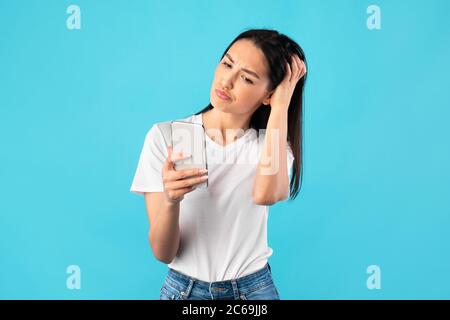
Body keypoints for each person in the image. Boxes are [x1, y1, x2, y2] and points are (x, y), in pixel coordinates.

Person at [130, 28, 307, 300]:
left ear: (268, 94)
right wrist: (170, 200)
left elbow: (267, 194)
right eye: (227, 63)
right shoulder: (168, 136)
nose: (227, 81)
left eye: (246, 78)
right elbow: (163, 252)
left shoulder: (271, 145)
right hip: (184, 291)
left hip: (253, 292)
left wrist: (281, 105)